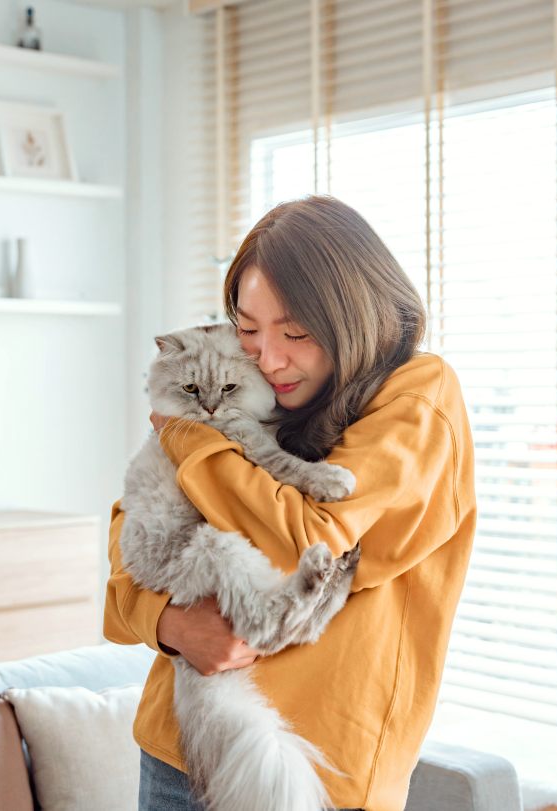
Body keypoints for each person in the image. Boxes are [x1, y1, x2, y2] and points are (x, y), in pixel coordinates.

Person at [103, 195, 477, 811]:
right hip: (180, 751)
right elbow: (129, 548)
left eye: (296, 333)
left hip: (315, 777)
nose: (268, 358)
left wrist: (185, 433)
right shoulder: (239, 385)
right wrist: (169, 625)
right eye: (247, 330)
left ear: (354, 319)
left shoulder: (418, 396)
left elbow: (309, 539)